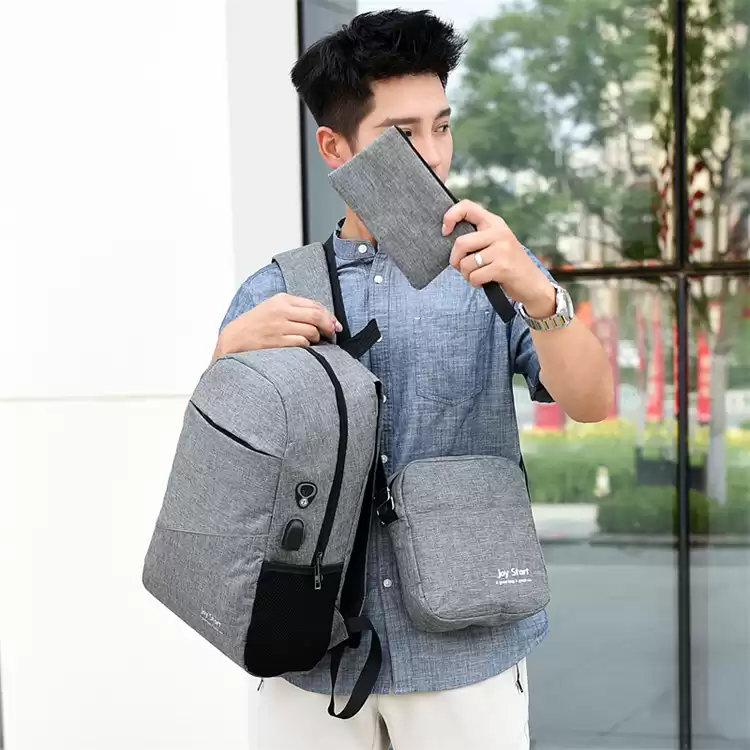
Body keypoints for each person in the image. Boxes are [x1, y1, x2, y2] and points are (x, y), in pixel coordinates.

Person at [215, 9, 613, 749]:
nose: (434, 155)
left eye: (443, 126)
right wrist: (225, 358)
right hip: (310, 655)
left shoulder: (495, 269)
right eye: (403, 135)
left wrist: (540, 294)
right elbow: (224, 477)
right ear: (334, 147)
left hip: (468, 647)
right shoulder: (274, 291)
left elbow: (592, 402)